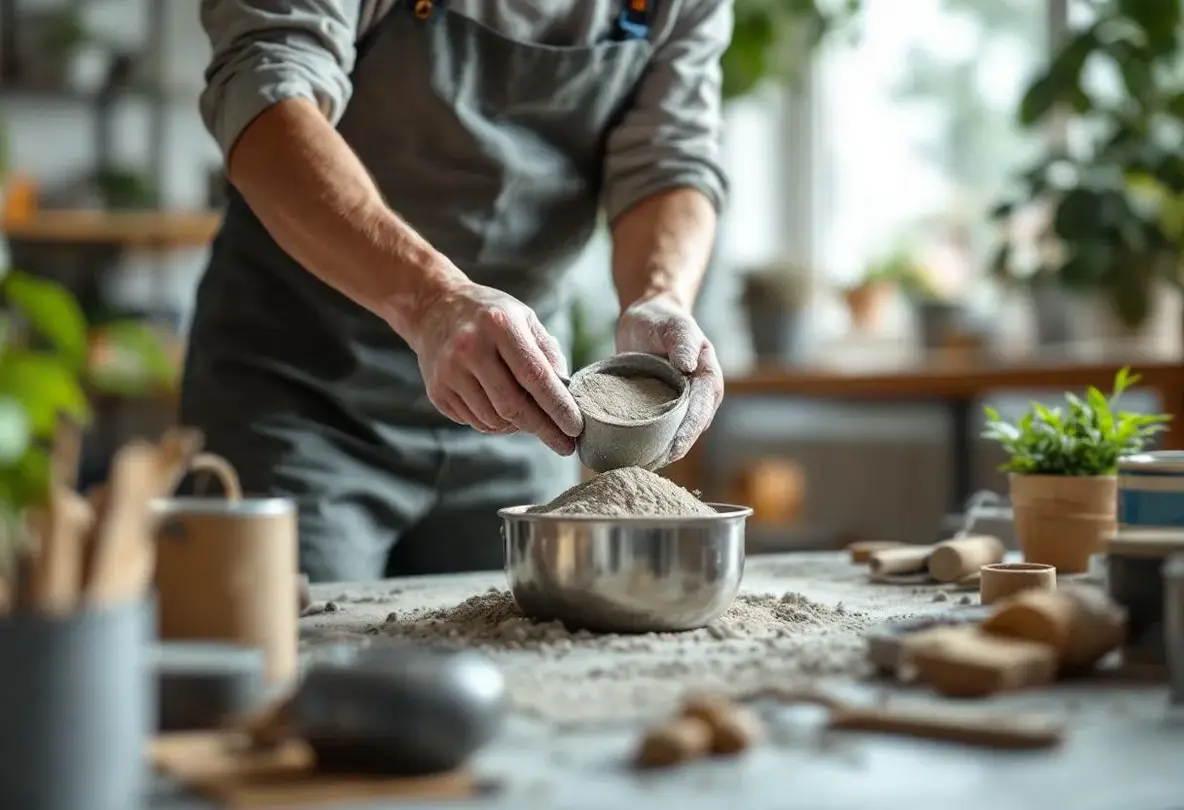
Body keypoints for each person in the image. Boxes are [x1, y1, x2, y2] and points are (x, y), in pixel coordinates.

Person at [188, 0, 730, 583]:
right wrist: (430, 299)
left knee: (531, 650)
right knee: (296, 655)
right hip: (299, 398)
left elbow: (668, 157)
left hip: (523, 407)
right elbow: (266, 91)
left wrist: (659, 295)